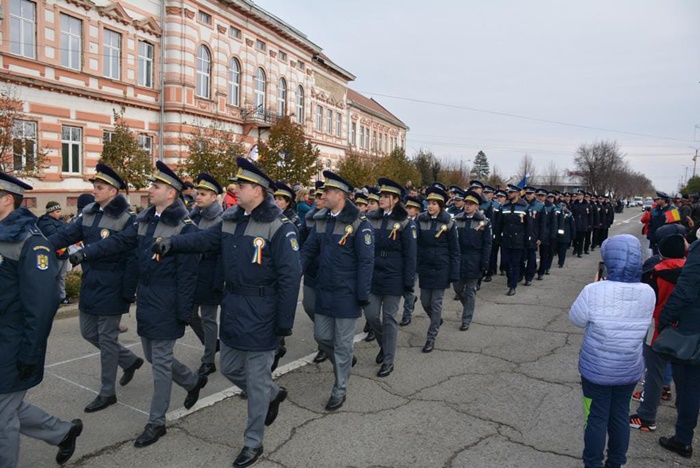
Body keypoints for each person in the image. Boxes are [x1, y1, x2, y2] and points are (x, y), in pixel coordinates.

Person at [152, 158, 301, 467]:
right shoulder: (231, 218)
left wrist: (283, 323)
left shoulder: (279, 226)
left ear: (258, 191)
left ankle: (253, 442)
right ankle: (272, 394)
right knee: (231, 368)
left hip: (262, 311)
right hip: (233, 307)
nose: (235, 188)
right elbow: (205, 239)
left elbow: (290, 277)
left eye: (241, 185)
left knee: (256, 381)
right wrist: (173, 244)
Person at [70, 161, 207, 448]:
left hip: (168, 300)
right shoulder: (145, 220)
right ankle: (191, 381)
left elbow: (189, 275)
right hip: (147, 298)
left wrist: (183, 312)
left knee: (160, 362)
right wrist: (88, 252)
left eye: (156, 186)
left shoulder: (185, 228)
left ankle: (156, 422)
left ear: (171, 193)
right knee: (153, 356)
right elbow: (120, 243)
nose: (150, 189)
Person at [0, 173, 83, 467]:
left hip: (13, 340)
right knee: (6, 406)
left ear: (6, 199)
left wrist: (30, 352)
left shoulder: (31, 242)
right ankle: (62, 432)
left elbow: (41, 305)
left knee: (2, 414)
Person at [47, 163, 143, 413]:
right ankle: (129, 360)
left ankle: (107, 392)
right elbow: (66, 235)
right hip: (91, 282)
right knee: (88, 332)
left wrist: (128, 292)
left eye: (99, 187)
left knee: (108, 340)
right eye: (95, 186)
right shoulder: (88, 213)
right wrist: (40, 246)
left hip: (113, 285)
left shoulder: (127, 219)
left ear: (113, 191)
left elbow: (131, 258)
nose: (94, 191)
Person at [569, 234, 655, 468]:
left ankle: (593, 463)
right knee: (619, 416)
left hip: (597, 368)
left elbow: (576, 319)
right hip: (629, 367)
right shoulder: (648, 291)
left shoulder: (594, 290)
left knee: (595, 418)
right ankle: (616, 462)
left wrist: (598, 283)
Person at [301, 171, 374, 411]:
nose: (323, 196)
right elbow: (308, 250)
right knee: (321, 336)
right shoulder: (321, 220)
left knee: (342, 344)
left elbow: (366, 262)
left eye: (327, 192)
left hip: (347, 293)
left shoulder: (359, 224)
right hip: (325, 289)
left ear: (340, 195)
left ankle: (339, 389)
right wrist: (293, 272)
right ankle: (345, 361)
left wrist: (362, 294)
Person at [629, 231, 687, 433]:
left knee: (654, 372)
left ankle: (646, 416)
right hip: (684, 330)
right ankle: (684, 411)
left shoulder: (654, 274)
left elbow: (644, 304)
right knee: (684, 375)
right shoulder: (691, 272)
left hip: (657, 327)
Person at [364, 178, 417, 377]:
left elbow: (410, 254)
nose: (381, 199)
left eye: (386, 196)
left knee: (389, 318)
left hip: (394, 274)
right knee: (371, 315)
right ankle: (384, 345)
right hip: (374, 273)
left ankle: (388, 360)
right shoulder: (372, 218)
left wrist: (408, 281)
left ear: (395, 200)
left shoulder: (404, 222)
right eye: (381, 195)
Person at [657, 237, 700, 459]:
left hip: (693, 327)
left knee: (688, 384)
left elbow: (685, 289)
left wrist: (665, 319)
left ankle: (683, 439)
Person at [188, 173, 224, 377]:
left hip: (210, 274)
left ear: (214, 197)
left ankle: (208, 361)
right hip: (193, 273)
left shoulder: (220, 219)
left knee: (209, 318)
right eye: (197, 193)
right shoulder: (193, 216)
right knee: (190, 315)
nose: (198, 197)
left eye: (203, 194)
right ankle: (211, 343)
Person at [271, 181, 304, 371]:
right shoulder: (270, 218)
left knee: (281, 304)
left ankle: (278, 342)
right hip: (271, 270)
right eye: (275, 198)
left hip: (285, 267)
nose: (277, 202)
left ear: (288, 202)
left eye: (281, 199)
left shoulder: (293, 221)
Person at [453, 190, 490, 331]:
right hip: (459, 259)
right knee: (457, 288)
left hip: (475, 259)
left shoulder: (484, 222)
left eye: (471, 204)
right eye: (466, 203)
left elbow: (487, 244)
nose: (467, 206)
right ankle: (468, 306)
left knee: (470, 291)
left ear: (477, 206)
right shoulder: (457, 220)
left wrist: (484, 263)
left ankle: (466, 319)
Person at [300, 181, 328, 364]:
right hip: (311, 270)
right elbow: (301, 240)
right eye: (316, 196)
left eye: (320, 196)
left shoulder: (334, 219)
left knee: (325, 310)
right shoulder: (310, 218)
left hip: (327, 272)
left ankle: (324, 345)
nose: (317, 199)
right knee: (309, 306)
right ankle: (325, 336)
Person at [497, 184, 529, 296]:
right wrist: (497, 237)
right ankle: (510, 278)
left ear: (517, 194)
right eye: (508, 192)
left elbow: (529, 225)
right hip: (506, 239)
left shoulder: (525, 207)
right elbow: (499, 224)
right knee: (505, 263)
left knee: (515, 264)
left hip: (518, 240)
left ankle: (513, 286)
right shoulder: (504, 207)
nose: (509, 194)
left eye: (511, 192)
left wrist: (528, 239)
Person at [37, 201, 71, 304]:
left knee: (62, 277)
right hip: (54, 253)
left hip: (63, 253)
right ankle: (51, 297)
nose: (59, 214)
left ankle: (61, 296)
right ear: (50, 212)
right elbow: (56, 235)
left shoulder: (59, 222)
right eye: (57, 211)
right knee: (53, 276)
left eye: (60, 211)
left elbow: (68, 232)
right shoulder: (44, 223)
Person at [399, 196, 422, 326]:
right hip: (402, 259)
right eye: (407, 207)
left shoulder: (420, 223)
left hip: (415, 261)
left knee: (408, 288)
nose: (408, 210)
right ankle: (411, 299)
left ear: (417, 211)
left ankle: (407, 314)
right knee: (401, 287)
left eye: (411, 208)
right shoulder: (402, 221)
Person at [555, 201, 575, 268]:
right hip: (557, 234)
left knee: (562, 250)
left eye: (563, 205)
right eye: (561, 206)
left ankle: (561, 262)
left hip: (566, 234)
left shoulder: (569, 214)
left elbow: (572, 225)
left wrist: (573, 235)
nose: (562, 207)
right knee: (557, 249)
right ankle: (559, 260)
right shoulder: (556, 213)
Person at [571, 190, 591, 258]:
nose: (578, 196)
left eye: (580, 195)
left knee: (581, 239)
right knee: (575, 238)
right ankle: (575, 248)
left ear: (583, 196)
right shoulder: (574, 204)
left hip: (583, 224)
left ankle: (579, 252)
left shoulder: (587, 204)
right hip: (575, 223)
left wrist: (589, 224)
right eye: (578, 195)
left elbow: (590, 215)